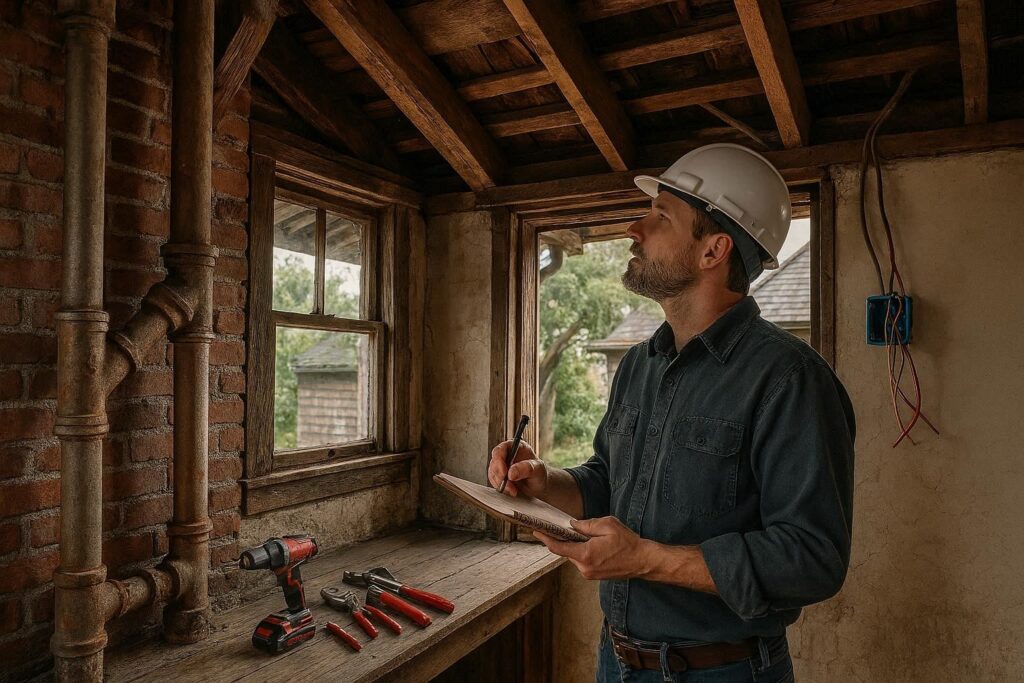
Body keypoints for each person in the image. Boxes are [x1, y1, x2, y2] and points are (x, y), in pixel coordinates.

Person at [489, 144, 855, 682]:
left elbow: (813, 558)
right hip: (616, 662)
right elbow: (609, 482)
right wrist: (543, 480)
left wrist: (644, 559)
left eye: (660, 216)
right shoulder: (640, 363)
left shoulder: (790, 379)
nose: (634, 230)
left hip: (721, 672)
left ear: (714, 250)